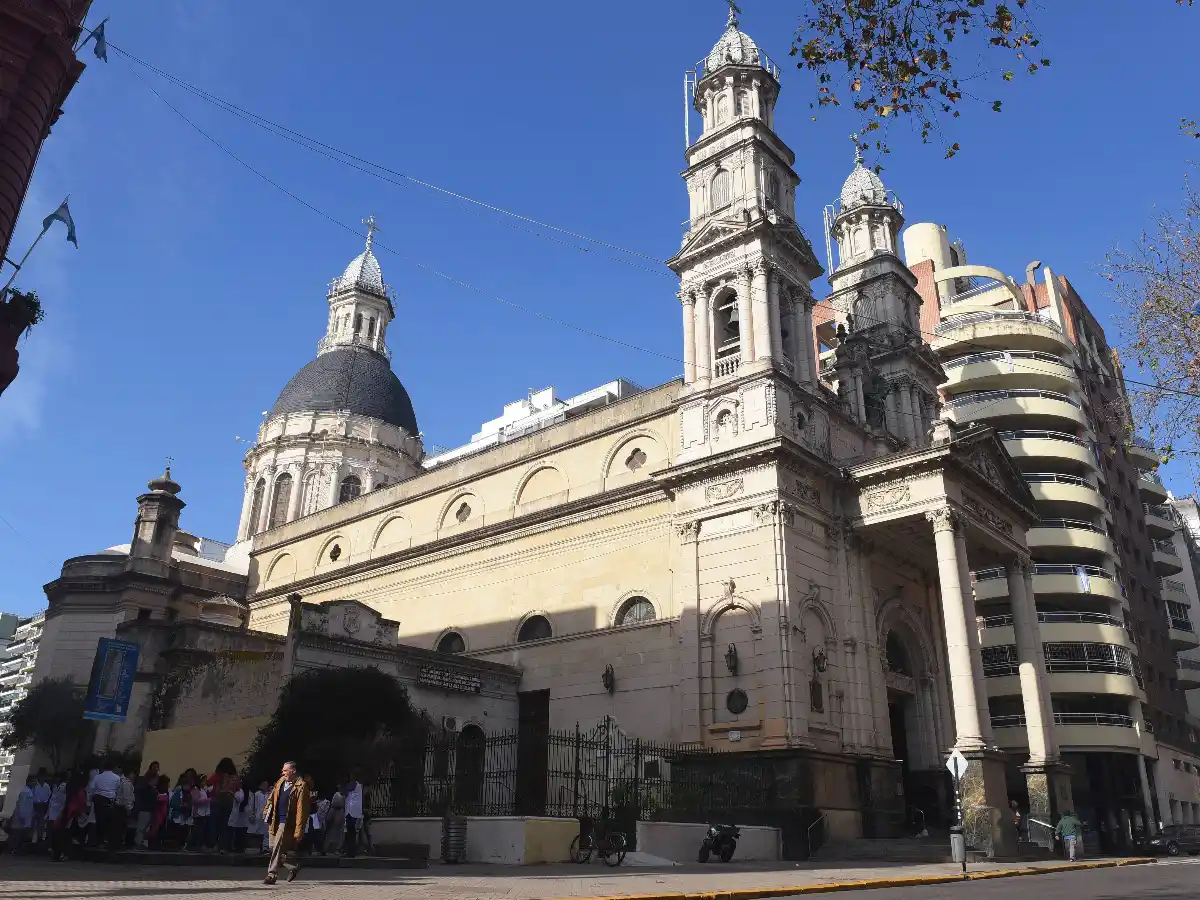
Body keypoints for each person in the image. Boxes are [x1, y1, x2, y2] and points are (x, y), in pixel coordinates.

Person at [263, 760, 310, 885]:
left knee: (277, 847)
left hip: (287, 822)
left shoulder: (301, 786)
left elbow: (302, 810)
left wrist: (299, 831)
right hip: (275, 819)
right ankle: (293, 866)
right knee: (273, 847)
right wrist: (267, 809)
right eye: (282, 770)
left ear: (293, 771)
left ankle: (271, 875)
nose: (282, 772)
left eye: (285, 770)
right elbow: (272, 797)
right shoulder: (280, 781)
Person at [50, 773, 89, 862]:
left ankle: (58, 853)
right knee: (66, 834)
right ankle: (64, 853)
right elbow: (81, 804)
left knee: (62, 833)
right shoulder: (80, 791)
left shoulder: (70, 789)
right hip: (73, 813)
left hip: (67, 812)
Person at [209, 758, 239, 853]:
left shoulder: (218, 775)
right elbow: (238, 788)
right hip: (229, 800)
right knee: (225, 824)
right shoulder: (235, 777)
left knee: (215, 824)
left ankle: (213, 845)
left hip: (217, 799)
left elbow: (209, 782)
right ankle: (223, 847)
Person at [90, 762, 121, 851]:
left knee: (99, 821)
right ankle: (107, 840)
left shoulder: (97, 777)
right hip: (110, 800)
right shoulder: (116, 777)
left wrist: (91, 799)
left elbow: (92, 789)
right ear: (114, 767)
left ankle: (99, 840)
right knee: (109, 822)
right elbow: (118, 790)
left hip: (98, 800)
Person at [8, 776, 36, 854]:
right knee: (18, 833)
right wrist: (21, 816)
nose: (35, 783)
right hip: (22, 816)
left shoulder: (29, 790)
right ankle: (14, 848)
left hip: (26, 815)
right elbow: (21, 804)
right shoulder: (25, 791)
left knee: (21, 833)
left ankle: (18, 848)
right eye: (33, 782)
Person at [225, 783, 250, 853]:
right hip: (237, 815)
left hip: (240, 816)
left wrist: (232, 794)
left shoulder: (241, 792)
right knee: (236, 832)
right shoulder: (239, 792)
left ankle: (239, 847)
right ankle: (235, 847)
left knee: (239, 832)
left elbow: (239, 799)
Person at [343, 774, 363, 858]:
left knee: (352, 833)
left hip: (354, 813)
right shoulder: (352, 786)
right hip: (349, 812)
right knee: (350, 833)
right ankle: (349, 852)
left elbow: (348, 788)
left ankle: (351, 852)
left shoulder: (356, 785)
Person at [148, 775, 171, 850]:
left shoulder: (167, 792)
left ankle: (159, 844)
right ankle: (152, 845)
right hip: (157, 814)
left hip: (164, 815)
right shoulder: (156, 792)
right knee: (155, 830)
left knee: (161, 830)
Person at [117, 765, 137, 849]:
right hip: (124, 807)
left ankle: (121, 842)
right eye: (133, 773)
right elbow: (127, 797)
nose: (134, 775)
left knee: (122, 826)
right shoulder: (126, 784)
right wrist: (129, 808)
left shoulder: (121, 781)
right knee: (127, 826)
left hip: (121, 806)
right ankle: (126, 843)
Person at [248, 780, 271, 853]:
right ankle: (259, 847)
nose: (266, 786)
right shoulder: (256, 795)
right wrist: (251, 814)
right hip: (258, 816)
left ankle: (265, 847)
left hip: (266, 816)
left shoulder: (269, 795)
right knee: (258, 832)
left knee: (266, 832)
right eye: (264, 784)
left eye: (266, 785)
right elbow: (252, 805)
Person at [324, 785, 345, 856]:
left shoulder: (340, 796)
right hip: (335, 820)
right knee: (332, 833)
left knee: (336, 833)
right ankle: (328, 849)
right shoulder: (337, 795)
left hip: (337, 820)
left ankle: (335, 849)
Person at [31, 770, 51, 846]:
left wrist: (44, 803)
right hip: (35, 805)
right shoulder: (34, 785)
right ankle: (32, 839)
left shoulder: (47, 786)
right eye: (41, 776)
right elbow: (32, 796)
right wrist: (37, 803)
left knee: (41, 823)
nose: (42, 777)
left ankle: (40, 838)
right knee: (34, 823)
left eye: (44, 776)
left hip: (43, 806)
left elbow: (49, 795)